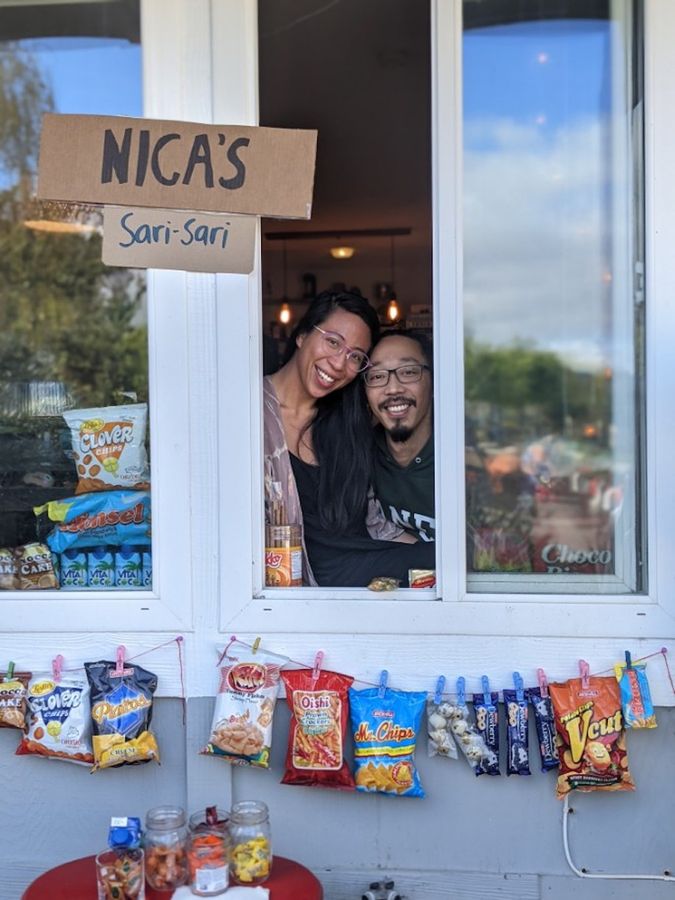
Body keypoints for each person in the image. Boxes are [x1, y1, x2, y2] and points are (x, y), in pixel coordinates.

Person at [263, 291, 435, 587]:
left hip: (358, 574)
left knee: (449, 559)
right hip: (300, 581)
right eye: (333, 342)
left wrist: (428, 553)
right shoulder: (249, 412)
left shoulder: (345, 424)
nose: (339, 363)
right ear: (303, 335)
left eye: (355, 356)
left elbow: (374, 524)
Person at [364, 331, 435, 542]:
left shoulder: (464, 460)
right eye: (377, 376)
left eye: (409, 372)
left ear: (434, 381)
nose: (393, 388)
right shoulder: (360, 458)